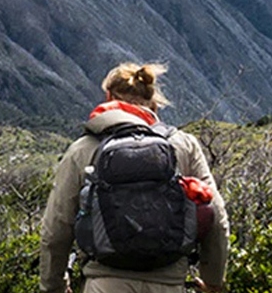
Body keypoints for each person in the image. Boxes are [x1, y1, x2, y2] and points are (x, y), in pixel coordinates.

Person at [39, 62, 230, 293]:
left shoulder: (83, 149)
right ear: (153, 102)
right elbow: (217, 218)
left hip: (105, 283)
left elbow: (57, 228)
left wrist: (54, 286)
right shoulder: (183, 145)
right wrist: (213, 281)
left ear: (108, 97)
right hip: (169, 284)